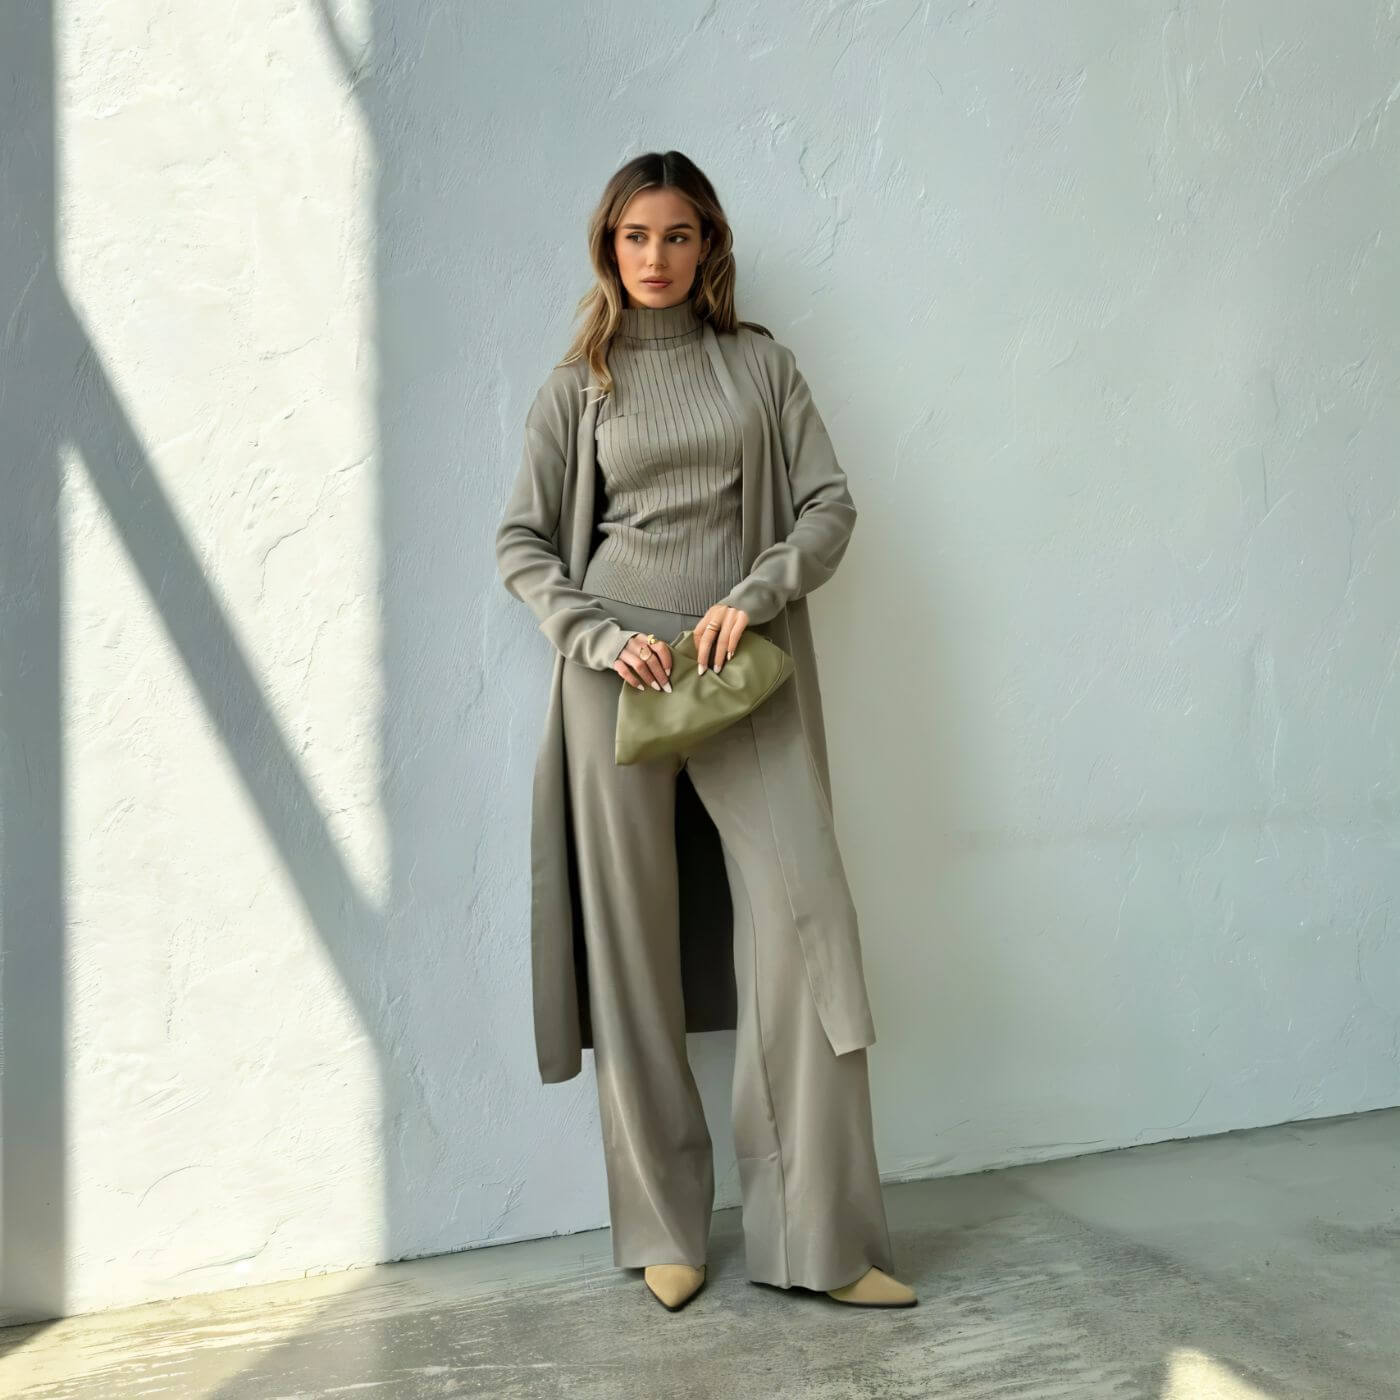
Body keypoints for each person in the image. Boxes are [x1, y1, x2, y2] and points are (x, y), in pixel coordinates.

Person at [495, 150, 916, 1314]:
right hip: (615, 678)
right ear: (608, 246)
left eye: (676, 235)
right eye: (634, 235)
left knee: (804, 928)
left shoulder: (760, 366)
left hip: (743, 665)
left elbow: (828, 504)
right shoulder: (577, 385)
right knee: (628, 948)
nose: (655, 256)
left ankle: (820, 1239)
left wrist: (756, 592)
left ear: (706, 246)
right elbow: (521, 541)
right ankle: (661, 1226)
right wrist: (590, 635)